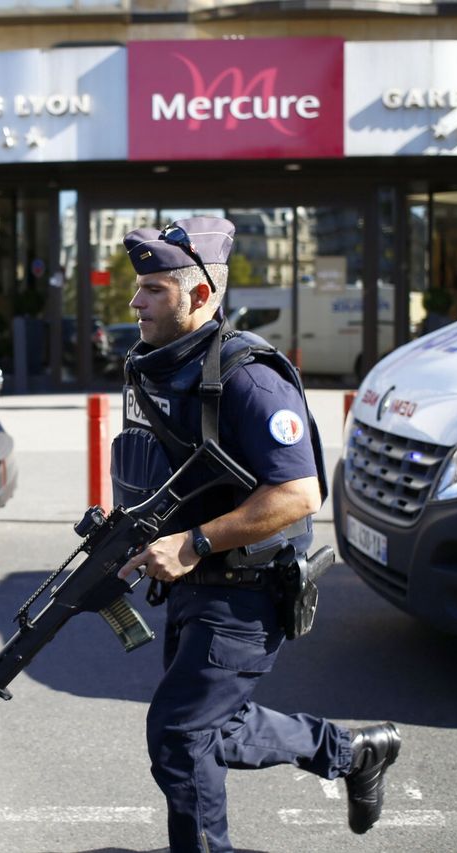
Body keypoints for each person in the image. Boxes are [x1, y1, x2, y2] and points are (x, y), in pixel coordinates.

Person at [111, 216, 401, 852]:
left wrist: (194, 543)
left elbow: (299, 493)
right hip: (197, 585)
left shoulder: (248, 378)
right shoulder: (163, 370)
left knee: (180, 738)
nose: (136, 301)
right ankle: (354, 753)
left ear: (201, 293)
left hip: (245, 590)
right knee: (216, 731)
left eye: (154, 288)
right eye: (139, 289)